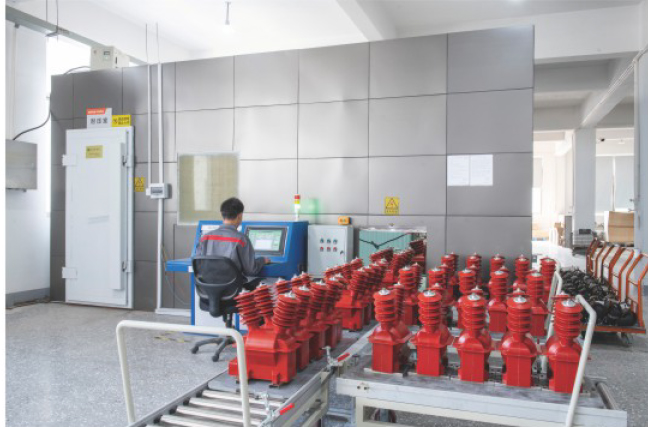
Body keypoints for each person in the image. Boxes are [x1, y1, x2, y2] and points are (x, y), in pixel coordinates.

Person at [195, 197, 270, 288]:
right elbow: (251, 270)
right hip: (232, 292)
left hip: (207, 291)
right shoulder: (241, 239)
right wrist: (262, 260)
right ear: (239, 216)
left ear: (222, 215)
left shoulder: (204, 238)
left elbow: (197, 265)